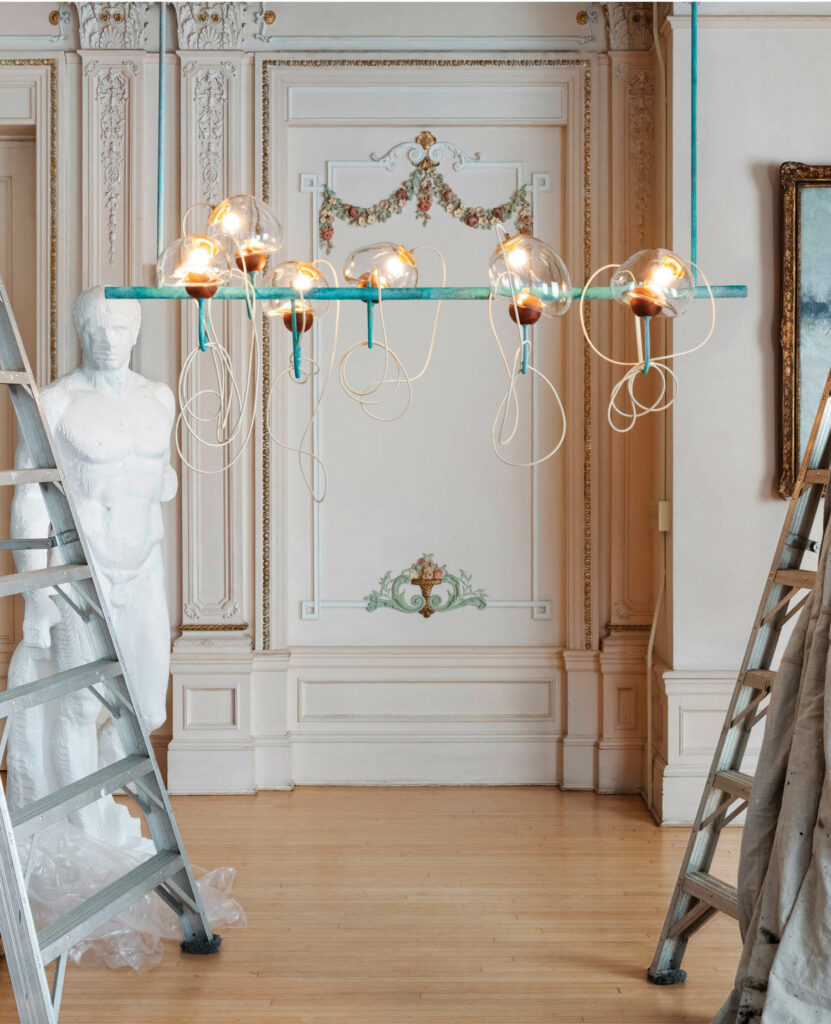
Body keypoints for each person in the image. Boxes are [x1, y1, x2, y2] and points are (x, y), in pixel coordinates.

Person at [7, 286, 177, 845]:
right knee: (82, 706)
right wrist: (37, 594)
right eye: (97, 329)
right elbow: (29, 498)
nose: (109, 341)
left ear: (136, 331)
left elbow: (163, 480)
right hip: (85, 573)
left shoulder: (160, 399)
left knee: (148, 706)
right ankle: (85, 835)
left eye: (120, 328)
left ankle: (104, 789)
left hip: (144, 569)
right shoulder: (56, 402)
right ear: (82, 332)